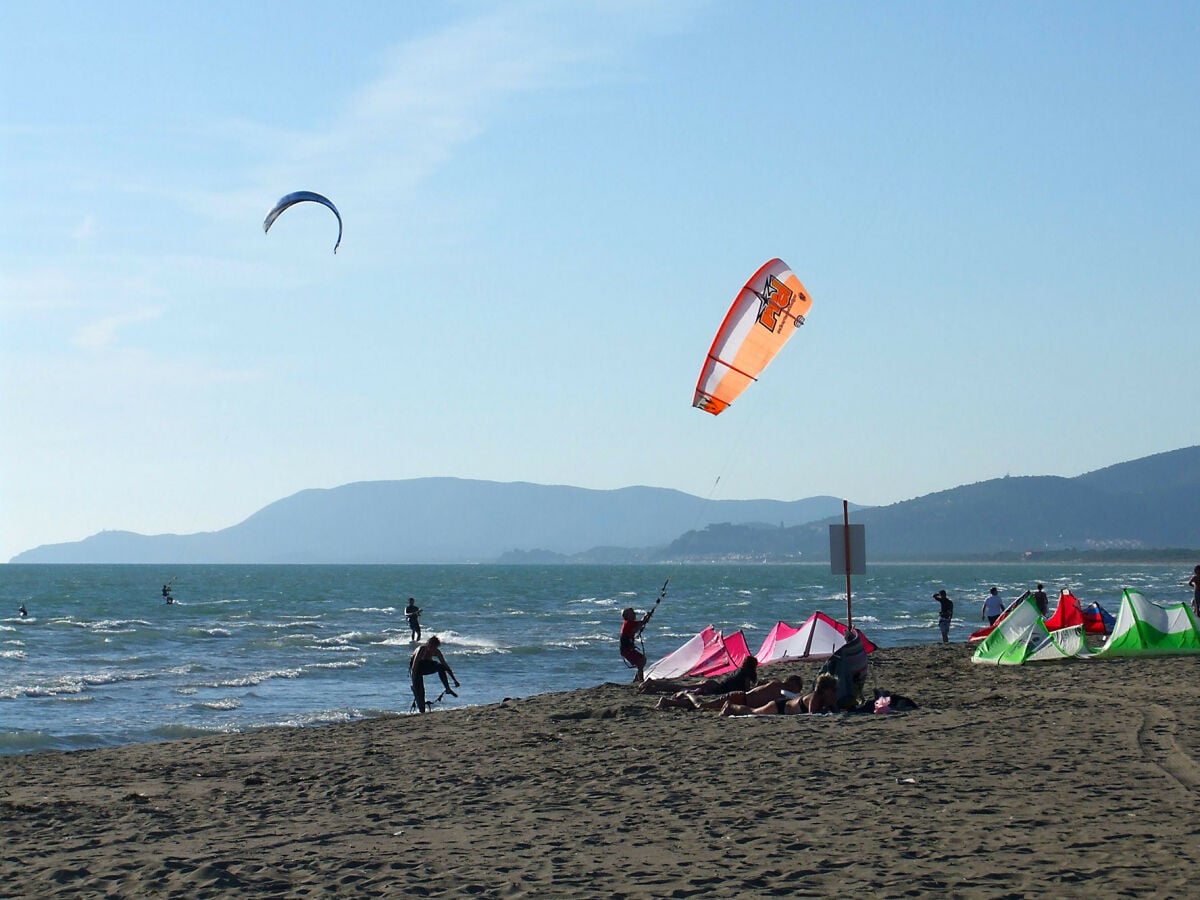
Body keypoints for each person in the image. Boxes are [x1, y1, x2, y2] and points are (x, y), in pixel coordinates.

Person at [656, 674, 803, 711]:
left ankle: (667, 702)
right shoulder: (780, 688)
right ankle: (687, 692)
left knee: (706, 706)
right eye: (798, 688)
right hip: (739, 698)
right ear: (793, 684)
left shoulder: (777, 685)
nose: (796, 692)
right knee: (702, 706)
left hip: (740, 699)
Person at [720, 673, 839, 716]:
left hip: (784, 706)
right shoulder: (814, 697)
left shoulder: (825, 698)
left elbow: (834, 711)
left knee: (753, 711)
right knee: (752, 712)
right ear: (825, 689)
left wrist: (832, 705)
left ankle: (731, 707)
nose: (835, 692)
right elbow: (813, 713)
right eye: (833, 690)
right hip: (779, 707)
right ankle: (730, 706)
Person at [409, 636, 460, 713]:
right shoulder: (422, 649)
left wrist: (454, 680)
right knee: (420, 692)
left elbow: (446, 666)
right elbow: (414, 666)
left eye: (434, 647)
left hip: (426, 666)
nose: (431, 649)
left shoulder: (436, 651)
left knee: (440, 666)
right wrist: (414, 681)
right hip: (416, 669)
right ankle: (421, 710)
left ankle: (447, 688)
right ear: (428, 644)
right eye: (430, 646)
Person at [619, 606, 654, 682]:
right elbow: (641, 623)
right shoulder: (628, 623)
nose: (635, 614)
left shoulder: (629, 623)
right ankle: (640, 680)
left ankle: (636, 679)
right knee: (641, 660)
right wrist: (646, 616)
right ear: (628, 616)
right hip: (626, 649)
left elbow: (638, 627)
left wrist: (646, 618)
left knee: (642, 660)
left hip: (627, 649)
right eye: (633, 613)